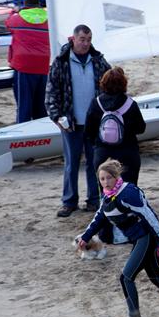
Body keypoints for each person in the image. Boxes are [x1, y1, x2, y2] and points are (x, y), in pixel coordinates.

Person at [77, 159, 159, 317]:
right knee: (156, 277)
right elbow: (99, 217)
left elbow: (148, 215)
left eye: (108, 178)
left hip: (146, 238)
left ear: (116, 176)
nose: (105, 182)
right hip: (138, 239)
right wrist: (86, 236)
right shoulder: (108, 195)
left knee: (126, 277)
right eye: (102, 179)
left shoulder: (127, 193)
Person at [46, 24, 112, 217]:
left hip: (94, 123)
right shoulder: (61, 61)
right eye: (82, 39)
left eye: (89, 40)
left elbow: (111, 84)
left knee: (95, 163)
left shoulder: (98, 60)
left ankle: (94, 200)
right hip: (70, 123)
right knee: (71, 163)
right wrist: (56, 116)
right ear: (73, 39)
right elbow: (51, 92)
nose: (85, 43)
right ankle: (69, 202)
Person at [85, 67, 146, 186]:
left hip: (103, 153)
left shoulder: (95, 103)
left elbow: (88, 131)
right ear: (124, 83)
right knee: (128, 189)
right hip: (128, 153)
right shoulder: (130, 104)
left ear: (103, 83)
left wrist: (97, 143)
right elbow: (141, 128)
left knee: (106, 191)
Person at [6, 0, 50, 123]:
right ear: (39, 4)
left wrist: (13, 12)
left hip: (24, 66)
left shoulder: (16, 19)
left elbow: (7, 24)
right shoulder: (50, 18)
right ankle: (41, 134)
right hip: (44, 66)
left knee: (24, 107)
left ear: (25, 4)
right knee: (41, 107)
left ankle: (23, 135)